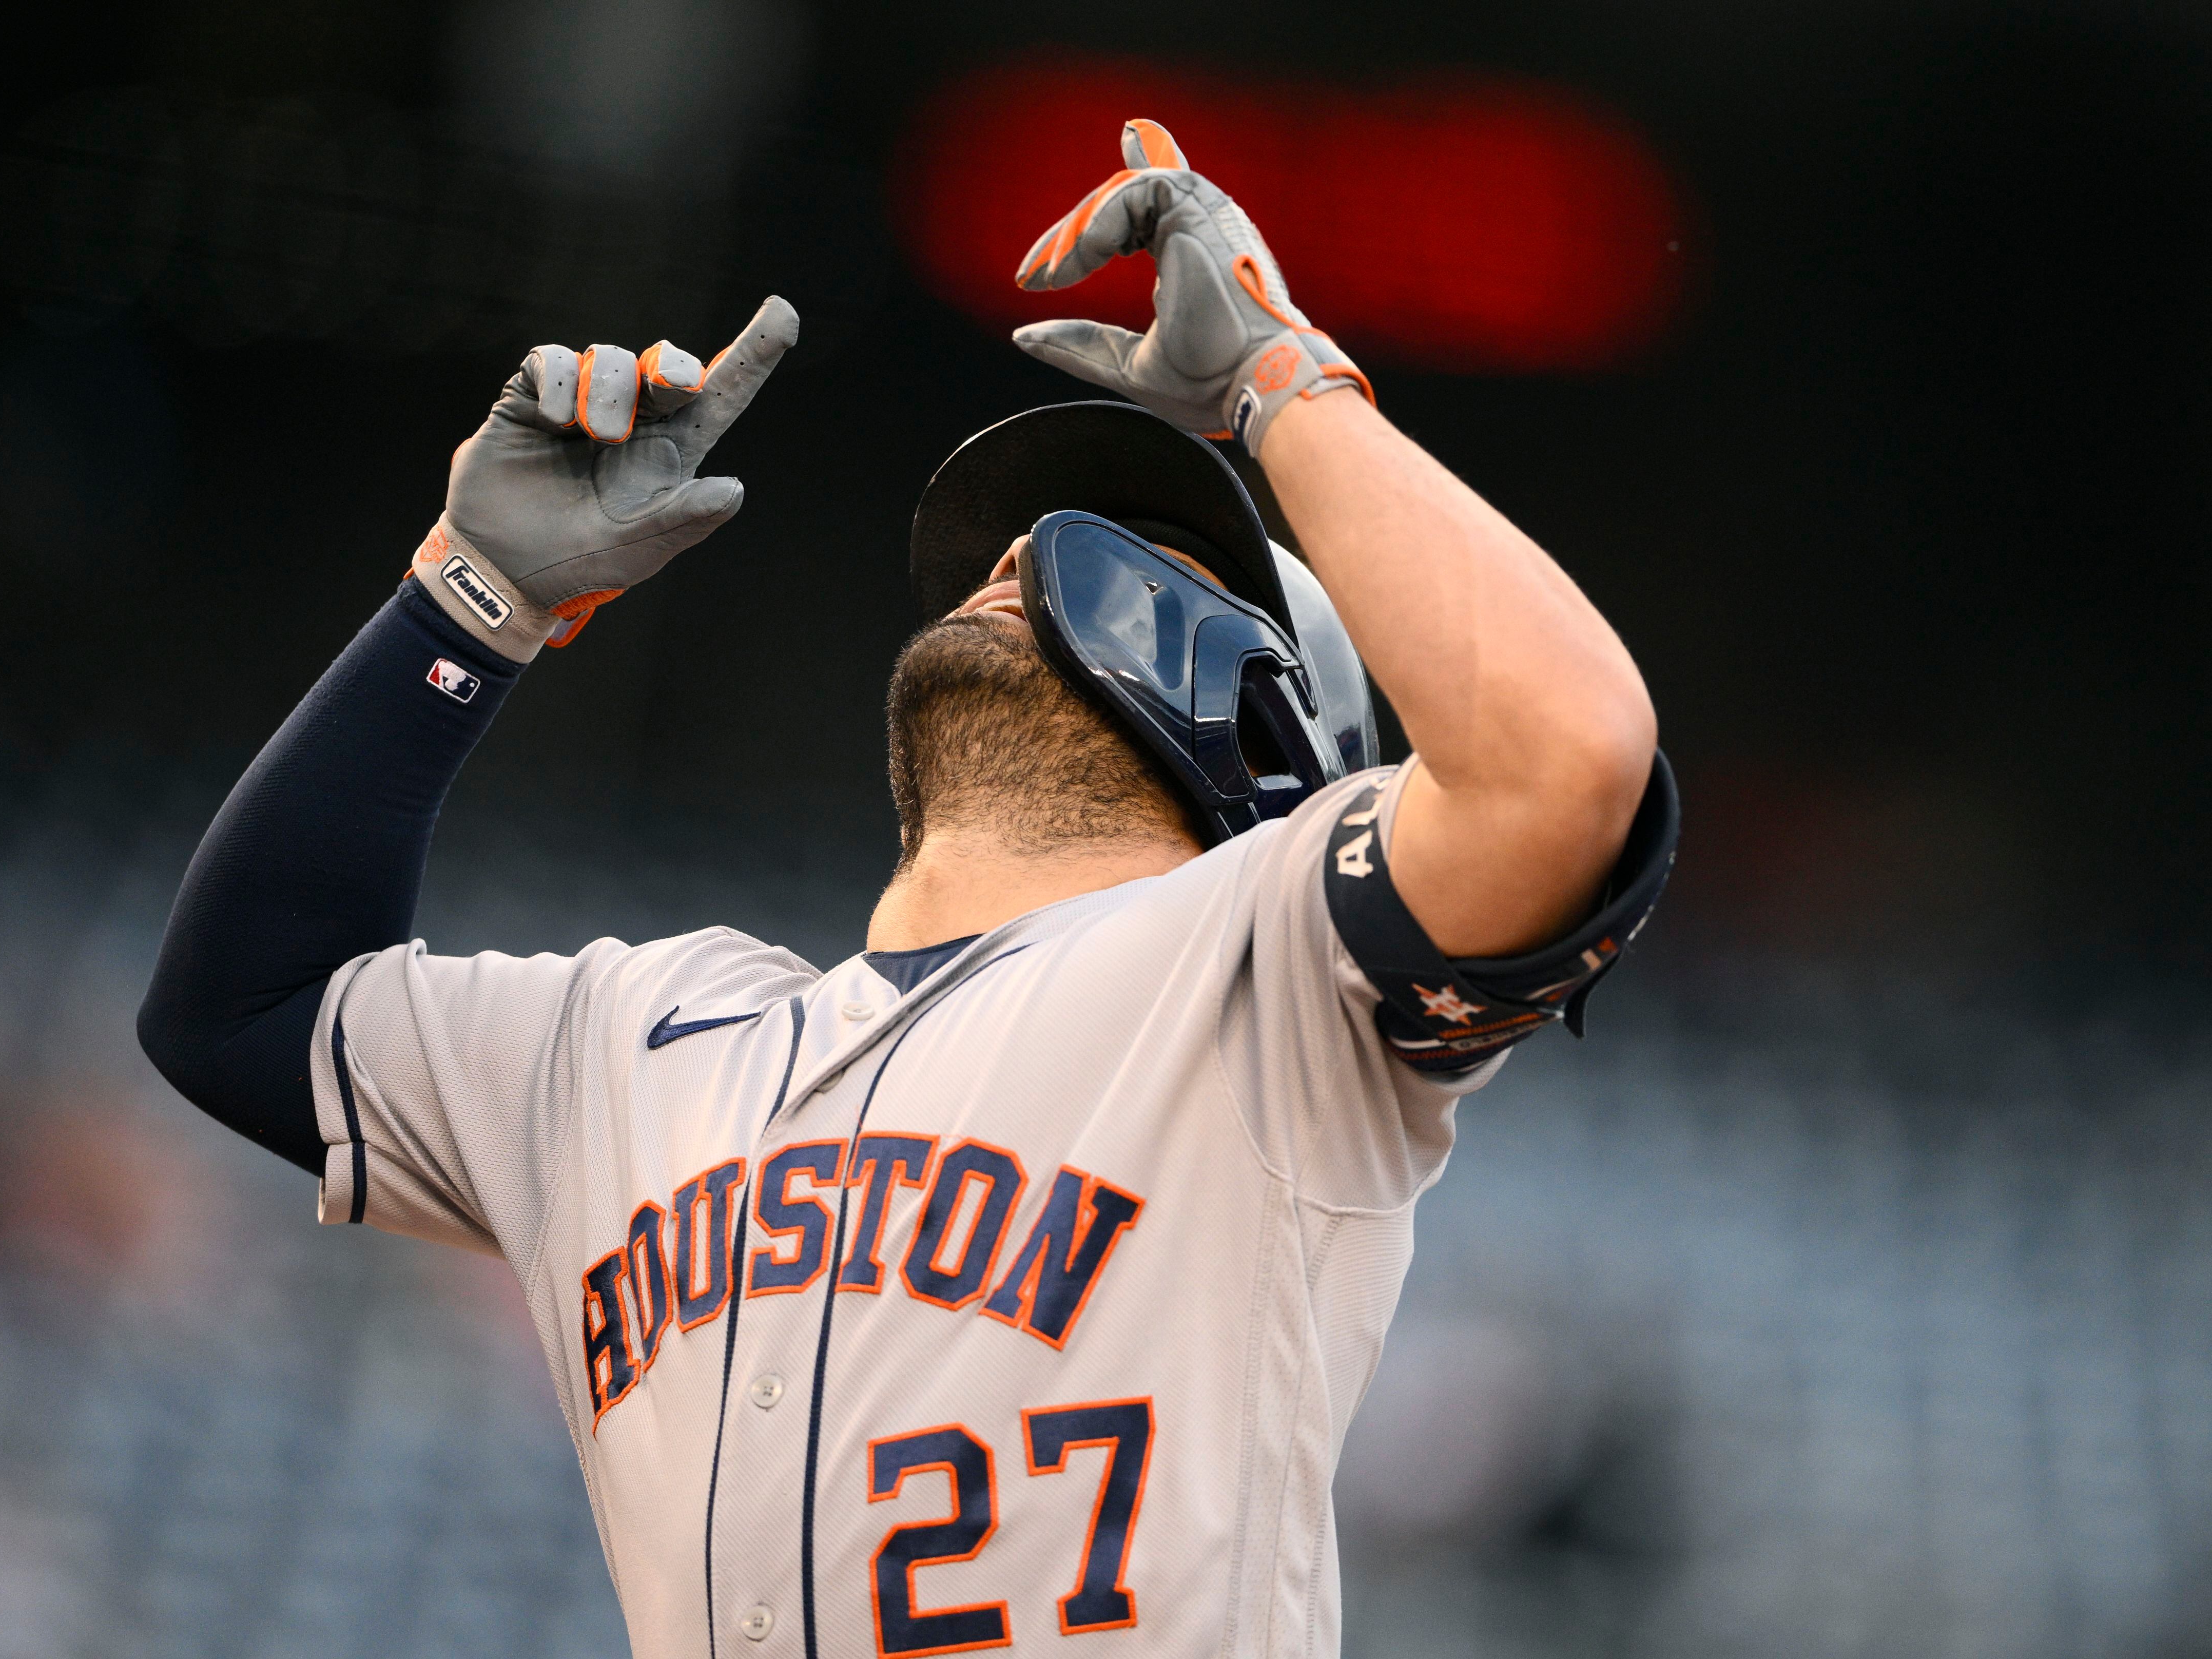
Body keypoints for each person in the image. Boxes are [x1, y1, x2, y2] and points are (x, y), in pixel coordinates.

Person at [140, 118, 1676, 1658]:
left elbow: (1565, 757)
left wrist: (1282, 385)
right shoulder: (639, 1039)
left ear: (1273, 727)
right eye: (1011, 545)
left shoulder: (1274, 976)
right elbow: (242, 1009)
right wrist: (466, 603)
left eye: (1126, 549)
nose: (1019, 555)